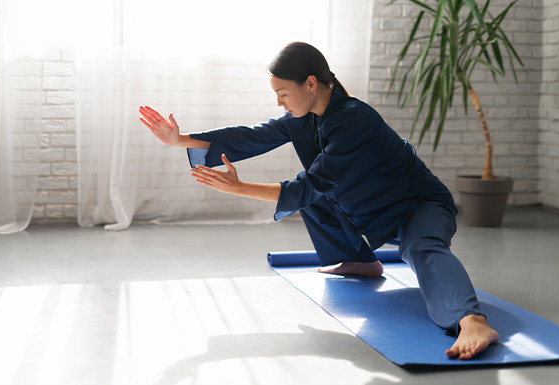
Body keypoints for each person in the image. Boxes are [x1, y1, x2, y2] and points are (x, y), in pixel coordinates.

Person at [138, 42, 499, 360]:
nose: (278, 101)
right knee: (310, 200)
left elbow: (311, 183)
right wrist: (179, 139)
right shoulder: (304, 116)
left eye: (282, 92)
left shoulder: (354, 119)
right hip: (371, 210)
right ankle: (359, 261)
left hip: (419, 206)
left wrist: (239, 187)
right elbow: (252, 137)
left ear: (310, 84)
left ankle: (472, 321)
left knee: (422, 247)